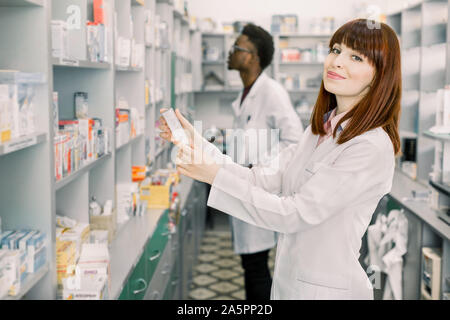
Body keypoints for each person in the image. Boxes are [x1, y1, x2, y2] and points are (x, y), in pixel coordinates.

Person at [159, 19, 401, 300]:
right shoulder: (319, 131)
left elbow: (294, 214)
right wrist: (197, 144)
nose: (336, 62)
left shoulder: (370, 147)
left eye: (356, 56)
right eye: (335, 50)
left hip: (327, 290)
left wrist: (214, 176)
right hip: (290, 282)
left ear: (380, 75)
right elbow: (260, 177)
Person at [222, 23, 302, 300]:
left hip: (261, 192)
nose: (230, 52)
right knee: (251, 265)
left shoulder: (272, 92)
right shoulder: (247, 93)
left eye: (237, 48)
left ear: (253, 56)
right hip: (247, 191)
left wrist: (257, 167)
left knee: (256, 267)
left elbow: (294, 140)